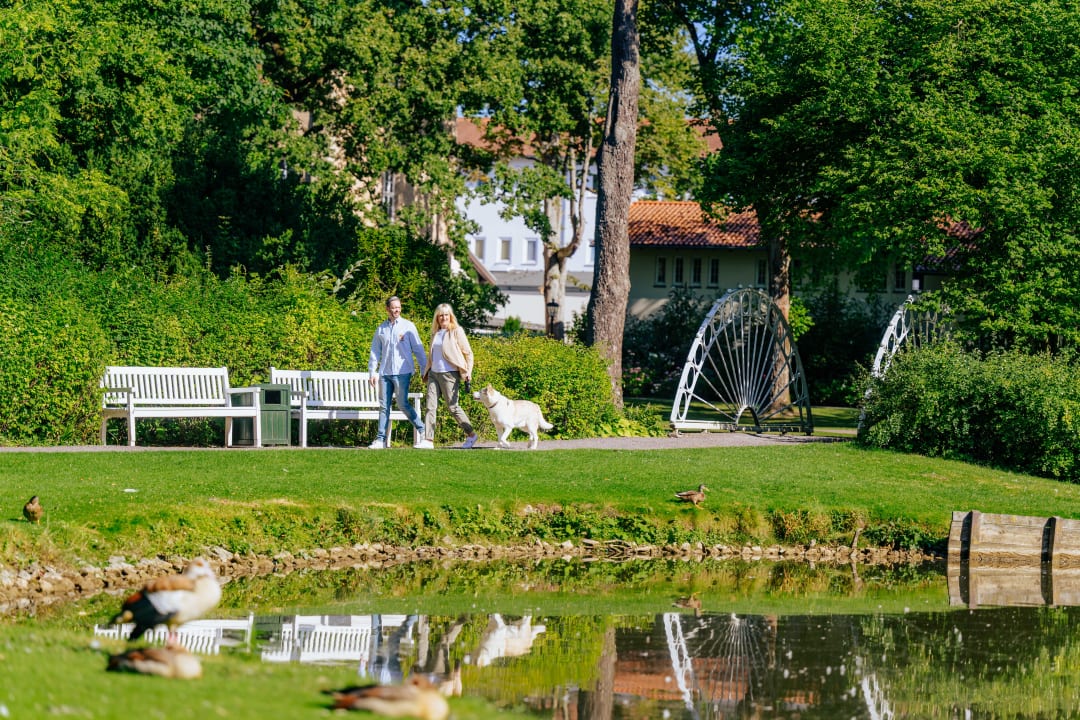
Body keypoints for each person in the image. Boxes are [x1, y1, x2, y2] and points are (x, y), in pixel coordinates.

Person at [368, 296, 433, 449]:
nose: (397, 309)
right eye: (394, 307)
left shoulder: (408, 326)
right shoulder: (381, 329)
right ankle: (380, 440)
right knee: (384, 406)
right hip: (385, 372)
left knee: (402, 403)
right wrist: (372, 371)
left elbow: (418, 350)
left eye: (399, 307)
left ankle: (423, 430)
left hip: (403, 372)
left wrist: (425, 370)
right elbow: (375, 352)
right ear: (387, 309)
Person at [422, 304, 478, 449]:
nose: (443, 318)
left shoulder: (456, 331)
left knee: (453, 407)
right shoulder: (435, 333)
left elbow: (468, 353)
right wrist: (427, 371)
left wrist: (468, 372)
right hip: (434, 373)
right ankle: (428, 440)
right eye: (441, 315)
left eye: (446, 315)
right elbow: (432, 354)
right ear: (437, 318)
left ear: (450, 316)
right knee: (430, 406)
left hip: (450, 375)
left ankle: (471, 434)